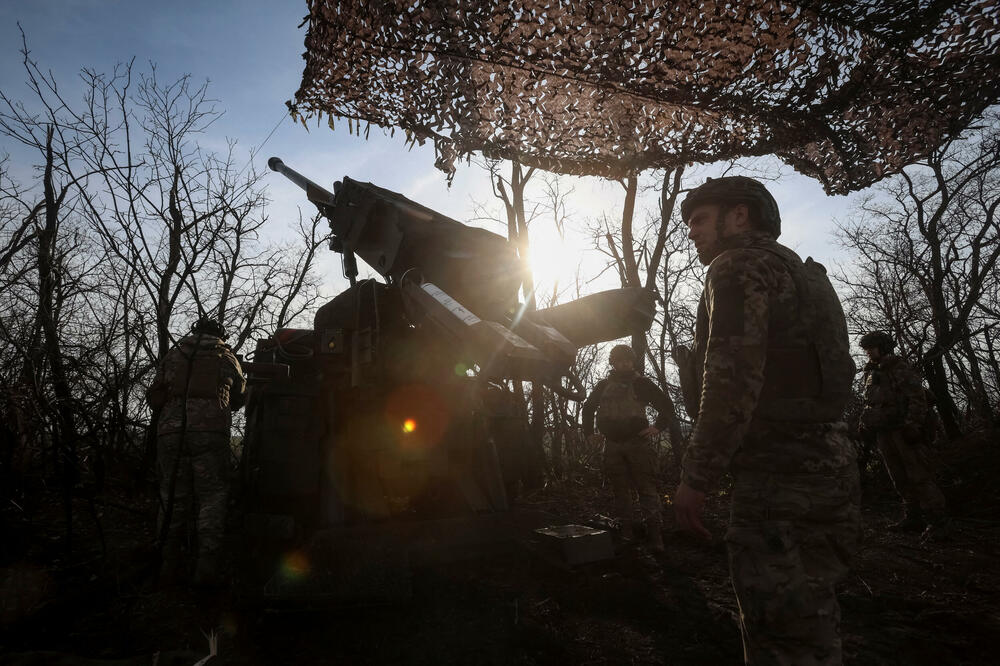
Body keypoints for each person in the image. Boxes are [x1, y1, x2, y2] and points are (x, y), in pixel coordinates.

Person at [672, 177, 860, 665]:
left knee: (777, 633)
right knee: (814, 617)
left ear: (739, 215)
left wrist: (698, 476)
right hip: (833, 469)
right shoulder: (803, 273)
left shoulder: (736, 266)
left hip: (777, 482)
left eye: (698, 219)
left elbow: (732, 379)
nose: (690, 232)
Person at [146, 317, 246, 586]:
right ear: (220, 334)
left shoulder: (173, 355)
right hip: (210, 434)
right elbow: (239, 397)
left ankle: (166, 568)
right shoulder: (226, 356)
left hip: (170, 434)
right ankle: (205, 572)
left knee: (172, 498)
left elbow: (155, 395)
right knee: (212, 499)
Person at [583, 344, 676, 551]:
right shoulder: (603, 386)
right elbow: (588, 408)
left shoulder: (642, 383)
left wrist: (657, 427)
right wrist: (589, 433)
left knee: (647, 489)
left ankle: (655, 537)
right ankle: (627, 534)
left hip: (638, 445)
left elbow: (666, 406)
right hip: (613, 446)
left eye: (627, 360)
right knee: (620, 491)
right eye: (619, 360)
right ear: (613, 363)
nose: (624, 364)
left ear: (632, 362)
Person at [858, 331, 948, 537]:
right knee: (898, 477)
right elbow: (871, 402)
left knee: (919, 475)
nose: (868, 351)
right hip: (884, 430)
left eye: (872, 347)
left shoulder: (899, 367)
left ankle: (938, 522)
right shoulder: (871, 372)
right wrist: (865, 424)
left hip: (902, 429)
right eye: (867, 348)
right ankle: (913, 517)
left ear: (883, 346)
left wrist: (913, 425)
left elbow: (917, 397)